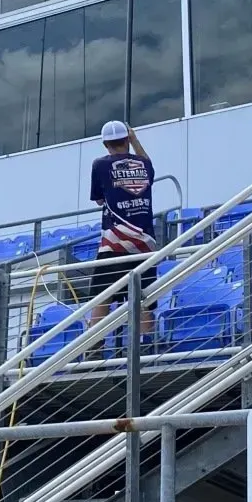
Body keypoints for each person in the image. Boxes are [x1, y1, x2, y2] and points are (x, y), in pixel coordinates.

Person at [88, 120, 156, 349]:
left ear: (105, 144)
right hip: (145, 242)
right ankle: (146, 348)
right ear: (127, 139)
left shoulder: (100, 165)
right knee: (143, 298)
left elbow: (99, 200)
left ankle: (95, 349)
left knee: (102, 296)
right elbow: (148, 165)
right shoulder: (144, 164)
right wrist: (135, 141)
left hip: (115, 241)